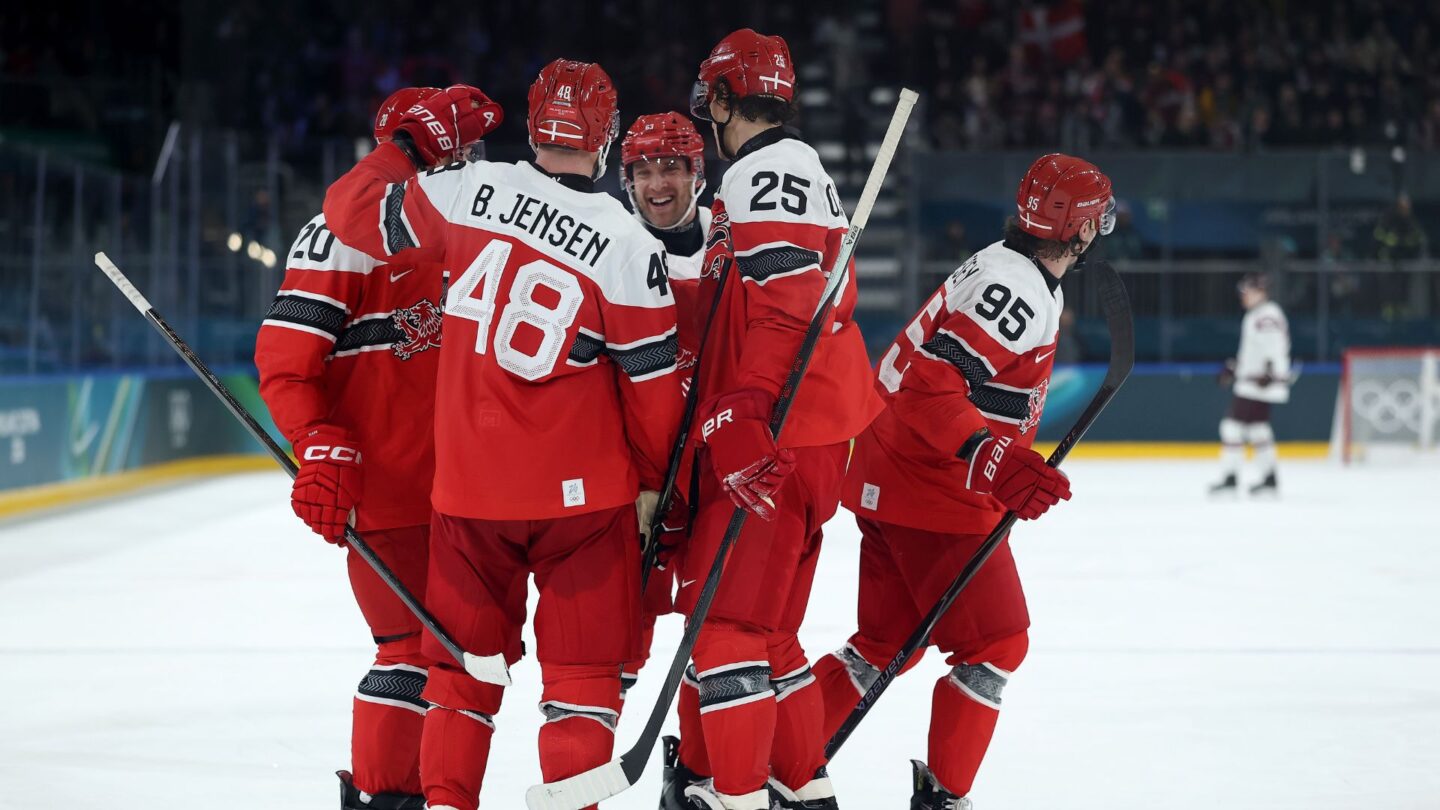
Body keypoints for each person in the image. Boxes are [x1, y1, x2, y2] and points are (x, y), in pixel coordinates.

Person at [321, 62, 684, 810]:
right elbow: (652, 393)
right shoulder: (624, 239)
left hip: (467, 496)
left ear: (530, 125)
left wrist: (411, 148)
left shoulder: (464, 193)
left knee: (460, 681)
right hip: (583, 504)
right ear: (608, 138)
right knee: (582, 687)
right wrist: (656, 486)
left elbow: (348, 215)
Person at [812, 154, 1112, 809]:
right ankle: (944, 798)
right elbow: (931, 386)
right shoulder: (1021, 288)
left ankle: (773, 759)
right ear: (1082, 230)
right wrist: (990, 456)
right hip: (932, 486)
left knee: (883, 646)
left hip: (892, 472)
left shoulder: (1007, 265)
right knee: (996, 640)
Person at [661, 29, 884, 810]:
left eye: (711, 104)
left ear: (723, 100)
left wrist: (746, 409)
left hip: (773, 437)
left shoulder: (768, 169)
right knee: (770, 638)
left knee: (723, 635)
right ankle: (805, 789)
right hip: (805, 436)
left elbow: (787, 304)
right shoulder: (787, 173)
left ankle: (740, 796)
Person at [254, 86, 445, 810]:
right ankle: (387, 796)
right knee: (410, 650)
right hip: (396, 490)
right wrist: (317, 442)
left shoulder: (476, 222)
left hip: (480, 493)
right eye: (434, 145)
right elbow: (286, 361)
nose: (454, 159)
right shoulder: (338, 232)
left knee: (462, 666)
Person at [615, 111, 711, 702]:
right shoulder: (610, 246)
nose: (657, 185)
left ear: (695, 172)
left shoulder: (735, 243)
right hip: (636, 480)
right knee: (619, 640)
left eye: (670, 168)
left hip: (717, 467)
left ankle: (697, 773)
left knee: (721, 638)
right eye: (644, 171)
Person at [1210, 273, 1291, 496]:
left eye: (1248, 292)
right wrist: (1234, 367)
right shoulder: (1259, 315)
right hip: (1256, 381)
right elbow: (1255, 351)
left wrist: (1269, 372)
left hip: (1258, 384)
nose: (1243, 296)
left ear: (1260, 292)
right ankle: (1269, 478)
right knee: (1257, 429)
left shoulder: (1266, 315)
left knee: (1232, 428)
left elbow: (1273, 348)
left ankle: (1231, 477)